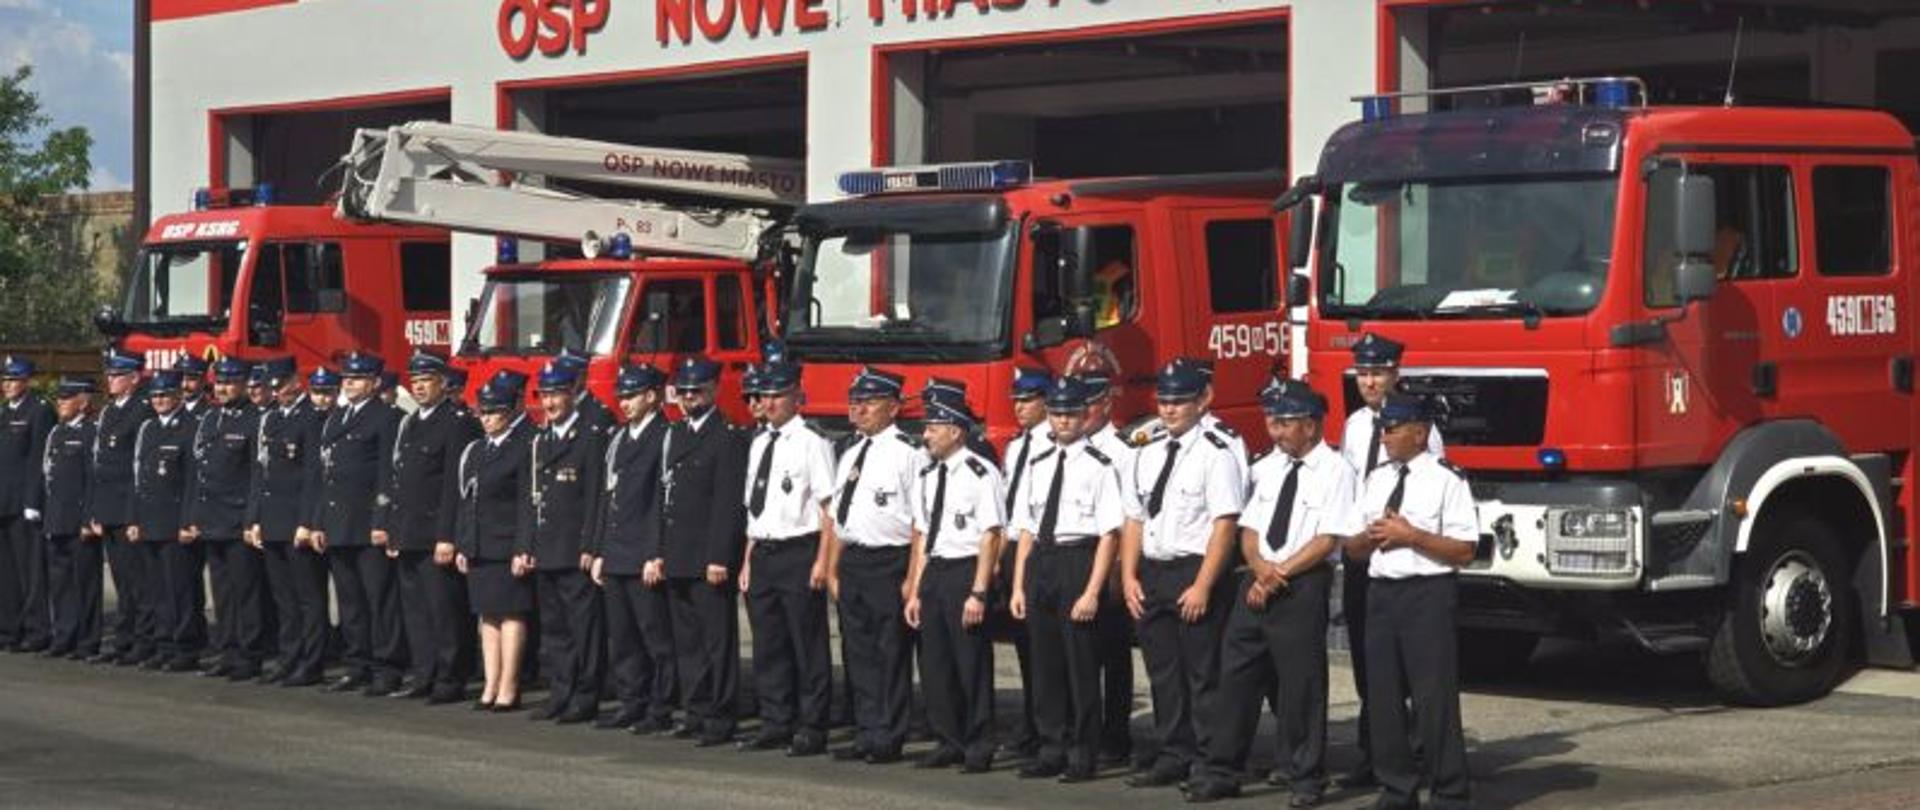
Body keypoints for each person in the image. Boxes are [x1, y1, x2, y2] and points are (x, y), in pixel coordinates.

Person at [1189, 380, 1354, 805]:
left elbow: (1327, 538)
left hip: (1303, 582)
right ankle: (1222, 768)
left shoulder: (1336, 470)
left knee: (1301, 685)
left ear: (1312, 426)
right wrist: (1261, 571)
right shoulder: (1268, 467)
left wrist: (1277, 574)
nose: (1276, 431)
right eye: (1273, 422)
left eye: (1285, 423)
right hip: (1259, 578)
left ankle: (1304, 776)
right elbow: (1250, 529)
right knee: (1237, 675)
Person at [1335, 393, 1476, 810]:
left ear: (1420, 431)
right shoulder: (1377, 478)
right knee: (1383, 698)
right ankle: (1397, 789)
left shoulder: (1447, 478)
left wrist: (1412, 536)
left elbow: (1465, 550)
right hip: (1382, 593)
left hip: (1427, 594)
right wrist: (1368, 539)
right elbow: (1354, 547)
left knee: (1434, 698)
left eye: (1392, 429)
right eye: (1382, 429)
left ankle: (1449, 791)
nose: (1384, 437)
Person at [1117, 358, 1245, 791]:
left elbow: (1224, 524)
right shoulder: (1146, 451)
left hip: (1194, 570)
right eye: (1164, 400)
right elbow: (1134, 518)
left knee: (1203, 674)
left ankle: (1212, 762)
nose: (1169, 410)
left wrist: (1204, 585)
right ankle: (1174, 752)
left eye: (1179, 401)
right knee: (1163, 672)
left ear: (1202, 401)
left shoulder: (1215, 452)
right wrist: (1129, 575)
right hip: (1154, 569)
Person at [1336, 333, 1443, 790]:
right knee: (1367, 660)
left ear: (1396, 373)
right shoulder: (1356, 424)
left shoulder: (1419, 425)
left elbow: (1426, 488)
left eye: (1378, 372)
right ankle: (1375, 750)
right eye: (1363, 373)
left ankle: (1414, 750)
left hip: (1402, 551)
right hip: (1365, 552)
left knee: (1406, 664)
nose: (1370, 381)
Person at [1009, 375, 1126, 783]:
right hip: (1042, 560)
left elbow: (1110, 534)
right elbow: (1025, 527)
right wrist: (1019, 585)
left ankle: (1082, 750)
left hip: (1078, 559)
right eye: (1056, 413)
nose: (1062, 421)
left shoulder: (1100, 466)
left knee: (1080, 664)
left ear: (1083, 416)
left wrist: (1093, 591)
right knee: (1045, 663)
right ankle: (1051, 745)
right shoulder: (1037, 464)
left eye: (1070, 414)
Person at [736, 360, 836, 756]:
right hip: (764, 551)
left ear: (797, 396)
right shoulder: (760, 442)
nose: (769, 403)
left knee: (807, 643)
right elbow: (753, 511)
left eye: (778, 395)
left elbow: (828, 508)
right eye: (765, 396)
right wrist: (747, 560)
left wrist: (822, 562)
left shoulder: (813, 443)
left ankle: (812, 725)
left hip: (799, 550)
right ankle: (776, 720)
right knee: (768, 643)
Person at [905, 381, 1004, 774]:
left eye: (933, 427)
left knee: (970, 662)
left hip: (966, 571)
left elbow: (991, 535)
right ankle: (949, 739)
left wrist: (979, 591)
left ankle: (979, 743)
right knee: (936, 664)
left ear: (955, 431)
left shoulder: (982, 473)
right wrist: (915, 589)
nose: (926, 434)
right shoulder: (928, 476)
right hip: (936, 571)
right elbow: (923, 536)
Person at [826, 366, 921, 765]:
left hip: (890, 561)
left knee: (890, 652)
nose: (858, 410)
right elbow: (836, 518)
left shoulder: (908, 454)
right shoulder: (850, 451)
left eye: (868, 402)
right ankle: (867, 729)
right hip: (856, 561)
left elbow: (920, 523)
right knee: (858, 651)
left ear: (893, 407)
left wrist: (912, 580)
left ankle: (889, 733)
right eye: (854, 402)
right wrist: (832, 568)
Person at [656, 355, 748, 746]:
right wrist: (660, 551)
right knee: (688, 643)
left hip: (706, 557)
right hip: (678, 553)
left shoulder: (726, 435)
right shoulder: (676, 434)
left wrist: (719, 557)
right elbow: (668, 499)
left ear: (713, 390)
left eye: (697, 390)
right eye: (684, 391)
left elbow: (727, 503)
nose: (689, 397)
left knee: (716, 642)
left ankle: (721, 714)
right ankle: (695, 709)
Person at [382, 350, 479, 703]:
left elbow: (455, 486)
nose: (420, 388)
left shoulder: (456, 422)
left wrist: (447, 536)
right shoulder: (410, 423)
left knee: (444, 611)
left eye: (426, 381)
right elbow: (400, 480)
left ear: (442, 384)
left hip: (435, 533)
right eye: (416, 381)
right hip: (408, 531)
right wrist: (394, 528)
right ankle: (424, 673)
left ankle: (450, 677)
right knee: (417, 612)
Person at [588, 363, 677, 735]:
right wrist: (598, 550)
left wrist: (657, 552)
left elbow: (662, 500)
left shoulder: (664, 436)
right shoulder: (619, 438)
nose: (624, 403)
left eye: (632, 395)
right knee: (622, 637)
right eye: (622, 396)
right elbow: (607, 498)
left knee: (654, 635)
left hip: (644, 552)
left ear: (652, 396)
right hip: (618, 550)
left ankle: (661, 706)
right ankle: (631, 700)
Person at [309, 351, 404, 696]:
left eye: (357, 378)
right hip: (338, 522)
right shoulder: (336, 418)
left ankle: (387, 666)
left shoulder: (385, 418)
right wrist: (319, 522)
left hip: (367, 523)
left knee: (379, 600)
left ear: (375, 382)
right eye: (346, 378)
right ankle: (357, 663)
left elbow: (387, 476)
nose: (348, 383)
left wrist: (382, 519)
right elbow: (326, 475)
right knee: (350, 601)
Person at [523, 360, 608, 724]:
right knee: (555, 630)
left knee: (583, 629)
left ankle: (585, 696)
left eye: (557, 394)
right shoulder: (541, 440)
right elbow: (532, 497)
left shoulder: (588, 437)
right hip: (546, 548)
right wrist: (526, 544)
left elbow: (594, 498)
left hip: (574, 549)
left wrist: (591, 545)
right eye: (545, 395)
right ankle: (561, 692)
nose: (551, 403)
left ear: (573, 392)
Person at [455, 371, 536, 712]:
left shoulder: (521, 449)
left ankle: (509, 684)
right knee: (487, 616)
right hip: (481, 543)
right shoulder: (477, 450)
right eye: (482, 413)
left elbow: (526, 504)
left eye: (493, 413)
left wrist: (523, 547)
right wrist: (463, 543)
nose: (486, 419)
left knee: (511, 614)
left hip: (507, 543)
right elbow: (466, 500)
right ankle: (490, 683)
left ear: (509, 413)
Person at [249, 359, 329, 687]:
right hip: (272, 518)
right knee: (284, 597)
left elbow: (314, 475)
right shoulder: (271, 419)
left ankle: (311, 662)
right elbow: (261, 471)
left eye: (282, 384)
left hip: (298, 519)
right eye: (273, 386)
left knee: (308, 597)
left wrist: (308, 521)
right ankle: (289, 656)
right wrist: (254, 519)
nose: (277, 391)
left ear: (296, 381)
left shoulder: (311, 417)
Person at [187, 357, 266, 681]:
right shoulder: (209, 419)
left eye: (230, 382)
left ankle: (249, 655)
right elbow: (200, 472)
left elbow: (257, 477)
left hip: (237, 520)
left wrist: (251, 520)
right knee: (222, 593)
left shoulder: (255, 419)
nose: (222, 388)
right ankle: (228, 651)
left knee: (246, 593)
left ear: (245, 383)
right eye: (219, 382)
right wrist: (195, 516)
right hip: (212, 518)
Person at [1078, 370, 1141, 766]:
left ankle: (1116, 734)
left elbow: (1127, 515)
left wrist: (1120, 570)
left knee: (1113, 653)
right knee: (1080, 653)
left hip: (1111, 553)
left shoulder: (1123, 451)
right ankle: (1082, 730)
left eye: (1088, 405)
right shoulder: (1068, 445)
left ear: (1105, 404)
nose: (1081, 413)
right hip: (1076, 554)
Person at [992, 366, 1052, 758]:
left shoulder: (1054, 443)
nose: (1019, 407)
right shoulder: (1017, 445)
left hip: (1044, 548)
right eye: (1016, 400)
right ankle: (1032, 721)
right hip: (1015, 545)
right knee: (1023, 643)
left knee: (1045, 646)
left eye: (1027, 400)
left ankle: (1049, 726)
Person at [130, 369, 204, 672]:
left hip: (176, 521)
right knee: (157, 589)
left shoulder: (191, 426)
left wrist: (189, 522)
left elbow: (193, 482)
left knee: (181, 589)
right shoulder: (148, 428)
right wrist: (134, 519)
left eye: (165, 395)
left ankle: (184, 648)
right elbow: (139, 478)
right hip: (150, 519)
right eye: (155, 396)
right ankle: (163, 643)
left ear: (177, 395)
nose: (159, 400)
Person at [89, 349, 155, 666]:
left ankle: (143, 639)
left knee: (138, 581)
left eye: (117, 375)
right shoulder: (109, 411)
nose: (111, 380)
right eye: (110, 375)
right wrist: (97, 511)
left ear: (134, 379)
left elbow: (137, 468)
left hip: (128, 508)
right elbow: (100, 465)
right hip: (109, 508)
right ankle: (125, 637)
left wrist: (133, 513)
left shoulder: (141, 411)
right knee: (121, 581)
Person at [42, 376, 100, 660]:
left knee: (85, 583)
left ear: (83, 402)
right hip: (57, 518)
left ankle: (87, 641)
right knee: (61, 582)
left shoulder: (91, 433)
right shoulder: (56, 432)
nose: (61, 403)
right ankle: (64, 636)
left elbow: (93, 480)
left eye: (67, 398)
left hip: (80, 520)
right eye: (60, 398)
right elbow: (48, 476)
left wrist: (89, 518)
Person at [0, 355, 54, 652]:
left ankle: (36, 630)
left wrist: (33, 501)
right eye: (5, 379)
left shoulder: (39, 411)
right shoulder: (4, 413)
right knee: (6, 573)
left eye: (12, 380)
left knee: (30, 572)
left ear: (26, 381)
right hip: (3, 503)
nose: (7, 385)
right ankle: (9, 628)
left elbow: (37, 460)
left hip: (23, 504)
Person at [175, 356, 210, 421]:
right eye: (180, 379)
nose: (184, 385)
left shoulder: (210, 412)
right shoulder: (172, 410)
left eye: (191, 379)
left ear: (203, 381)